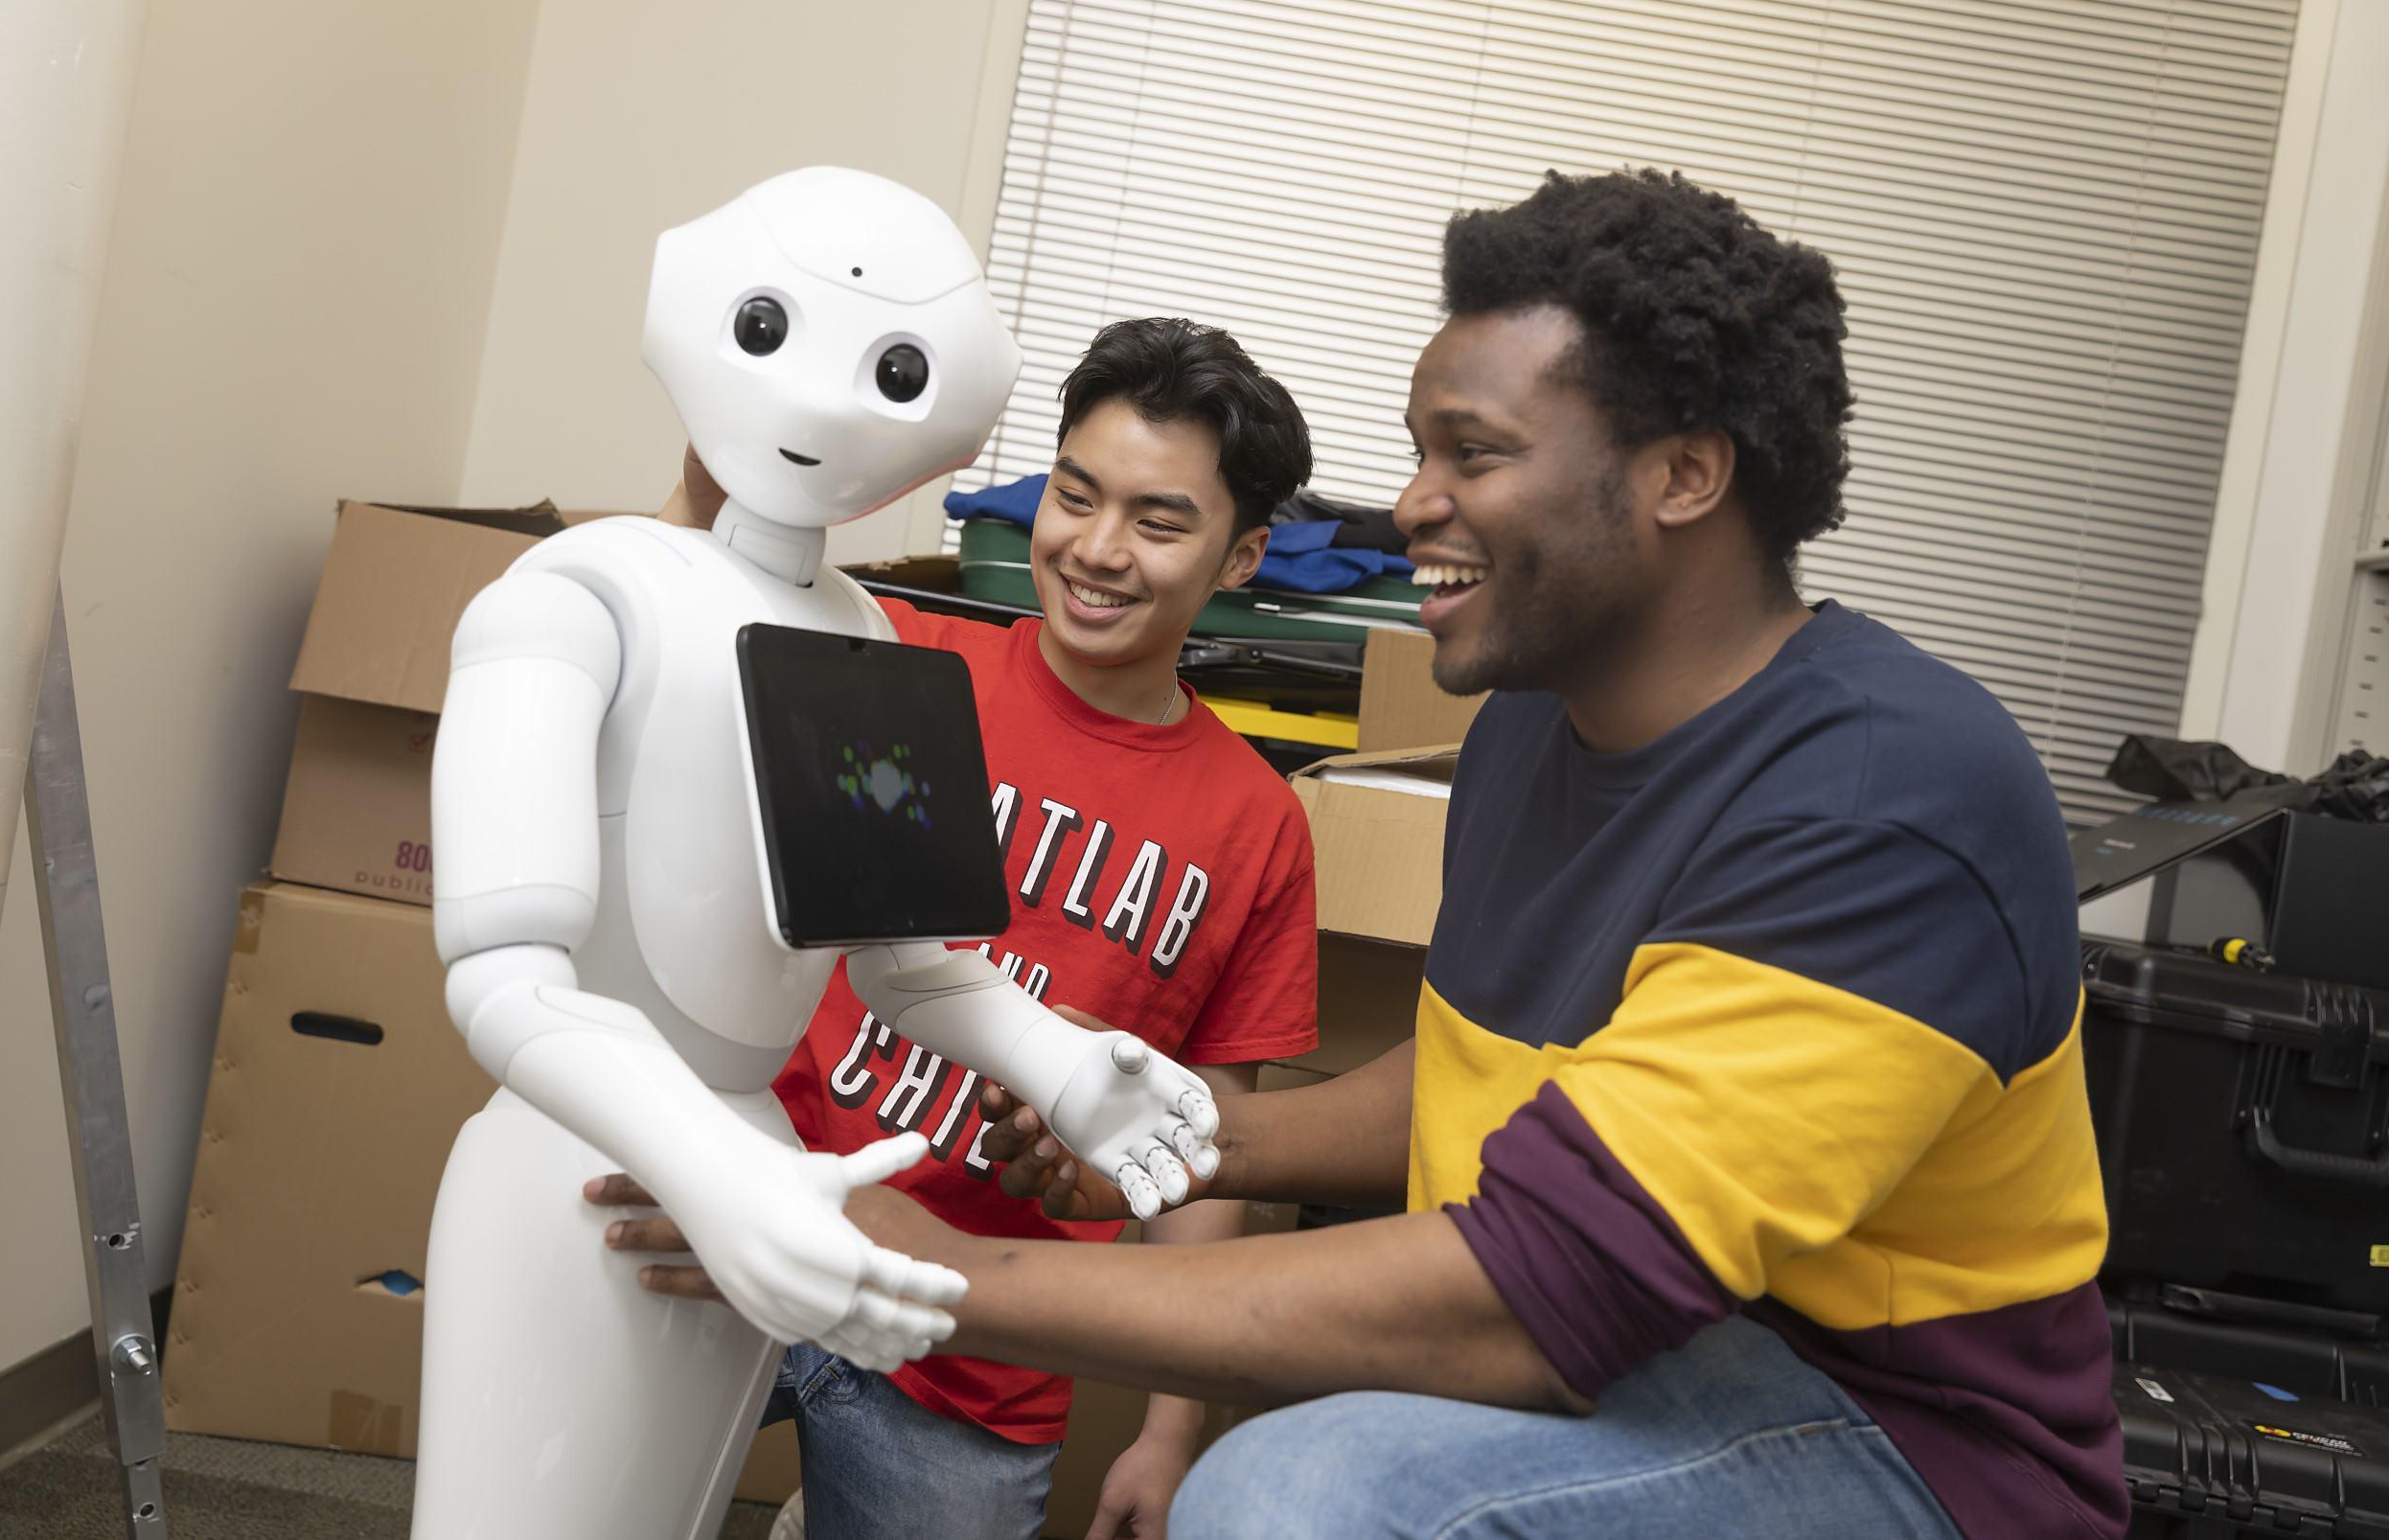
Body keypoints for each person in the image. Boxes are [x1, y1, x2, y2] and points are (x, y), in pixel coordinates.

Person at [611, 169, 2126, 1539]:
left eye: (1472, 451)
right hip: (1664, 1335)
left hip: (1901, 1440)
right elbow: (1495, 1069)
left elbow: (1533, 1296)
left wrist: (899, 1261)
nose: (1408, 506)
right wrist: (1193, 1131)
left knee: (1294, 1497)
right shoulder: (1537, 721)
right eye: (1418, 450)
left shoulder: (1885, 797)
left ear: (1684, 474)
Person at [605, 316, 1323, 1540]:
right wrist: (699, 484)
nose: (1097, 550)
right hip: (753, 1215)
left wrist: (1166, 1436)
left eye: (1158, 522)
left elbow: (1207, 1144)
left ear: (1243, 554)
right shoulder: (895, 657)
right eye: (1074, 495)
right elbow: (658, 631)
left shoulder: (1259, 826)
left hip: (974, 1343)